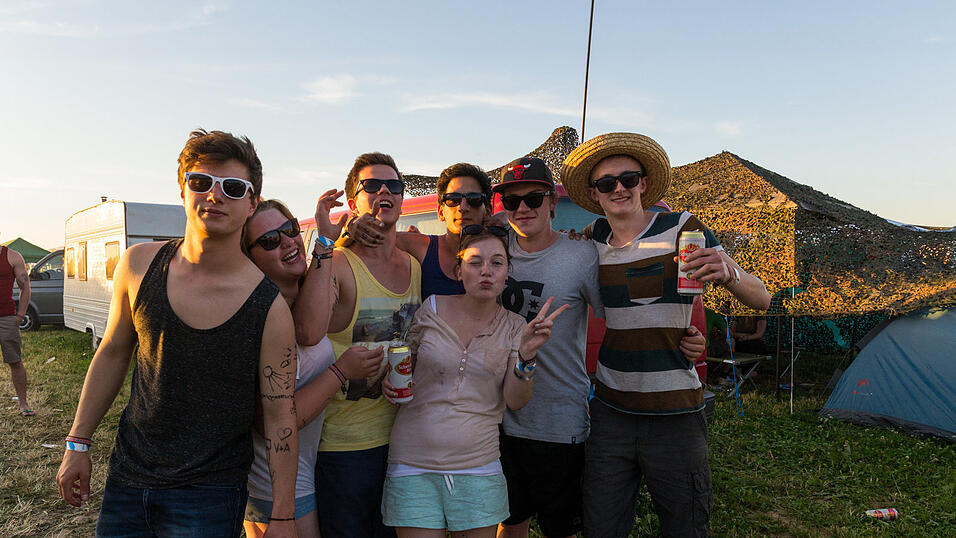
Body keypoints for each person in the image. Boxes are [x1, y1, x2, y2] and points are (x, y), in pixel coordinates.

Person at [55, 129, 300, 538]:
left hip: (210, 492)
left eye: (233, 188)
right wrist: (77, 443)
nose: (215, 196)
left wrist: (284, 516)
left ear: (252, 201)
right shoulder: (137, 266)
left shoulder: (268, 307)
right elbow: (113, 353)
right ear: (183, 190)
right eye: (201, 182)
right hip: (128, 478)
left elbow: (280, 416)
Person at [562, 132, 771, 537]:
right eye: (607, 183)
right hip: (611, 410)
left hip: (675, 411)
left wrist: (729, 271)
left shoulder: (682, 228)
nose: (619, 189)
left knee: (686, 525)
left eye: (628, 179)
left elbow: (761, 299)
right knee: (601, 525)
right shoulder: (590, 240)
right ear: (595, 193)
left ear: (643, 183)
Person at [491, 157, 705, 538]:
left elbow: (628, 311)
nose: (523, 208)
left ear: (552, 203)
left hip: (561, 418)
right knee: (510, 521)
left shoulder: (583, 253)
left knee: (565, 526)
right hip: (496, 416)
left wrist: (680, 335)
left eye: (534, 198)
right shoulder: (492, 250)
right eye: (511, 201)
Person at [380, 226, 568, 537]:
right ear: (459, 270)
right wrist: (390, 380)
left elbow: (516, 400)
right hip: (413, 463)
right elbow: (405, 367)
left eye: (496, 263)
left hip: (478, 466)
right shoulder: (431, 308)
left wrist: (526, 357)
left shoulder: (515, 326)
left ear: (507, 272)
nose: (486, 272)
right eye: (475, 262)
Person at [296, 152, 421, 538]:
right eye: (371, 185)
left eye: (394, 186)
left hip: (403, 441)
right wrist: (326, 241)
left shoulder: (413, 266)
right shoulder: (337, 264)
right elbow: (308, 330)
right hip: (343, 448)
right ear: (353, 203)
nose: (385, 190)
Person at [242, 198, 384, 538]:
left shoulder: (304, 290)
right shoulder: (261, 317)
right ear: (250, 258)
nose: (289, 242)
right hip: (273, 481)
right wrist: (340, 372)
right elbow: (270, 422)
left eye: (290, 229)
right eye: (270, 241)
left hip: (304, 469)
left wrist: (331, 236)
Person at [345, 161, 493, 300]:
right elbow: (365, 240)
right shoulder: (420, 247)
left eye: (474, 199)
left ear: (487, 211)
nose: (462, 207)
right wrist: (349, 228)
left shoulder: (505, 248)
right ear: (441, 212)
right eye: (453, 199)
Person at [1, 245, 33, 416]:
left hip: (6, 317)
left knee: (15, 361)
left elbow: (25, 287)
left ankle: (23, 404)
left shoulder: (12, 256)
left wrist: (20, 315)